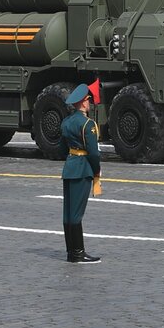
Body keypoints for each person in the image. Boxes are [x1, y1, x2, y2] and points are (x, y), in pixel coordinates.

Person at [60, 83, 102, 264]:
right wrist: (96, 170)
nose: (90, 103)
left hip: (69, 167)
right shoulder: (87, 124)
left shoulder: (66, 122)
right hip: (83, 169)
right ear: (84, 102)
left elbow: (62, 147)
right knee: (77, 213)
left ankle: (71, 252)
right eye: (88, 100)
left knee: (68, 213)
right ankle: (78, 253)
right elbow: (93, 153)